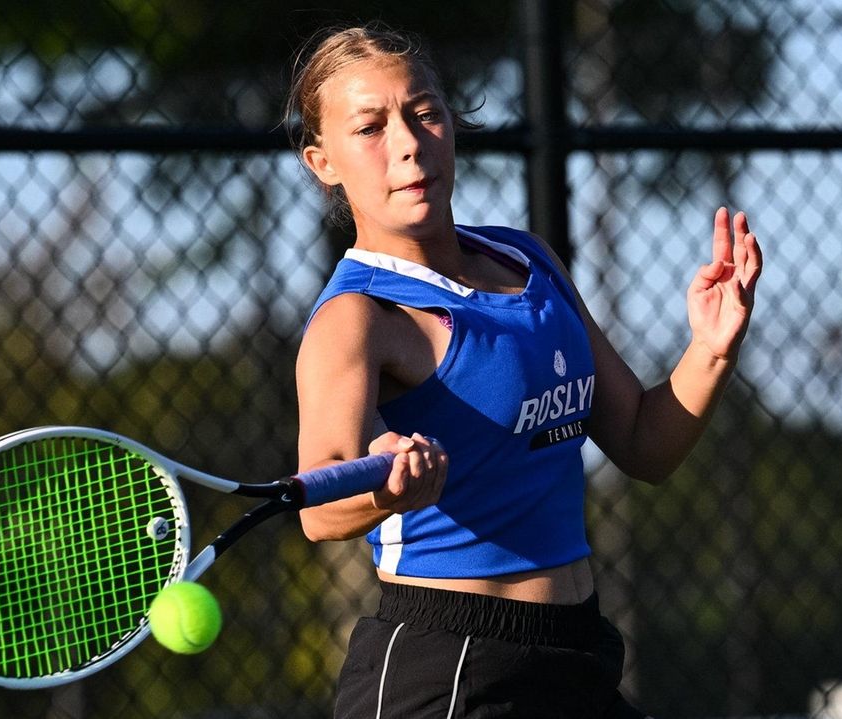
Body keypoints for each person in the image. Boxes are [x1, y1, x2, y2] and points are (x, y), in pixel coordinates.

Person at [288, 22, 762, 719]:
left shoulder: (528, 260)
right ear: (322, 160)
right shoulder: (357, 317)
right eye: (370, 127)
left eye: (425, 112)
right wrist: (388, 488)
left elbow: (644, 443)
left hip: (576, 656)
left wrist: (712, 349)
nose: (409, 143)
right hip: (450, 670)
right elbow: (319, 508)